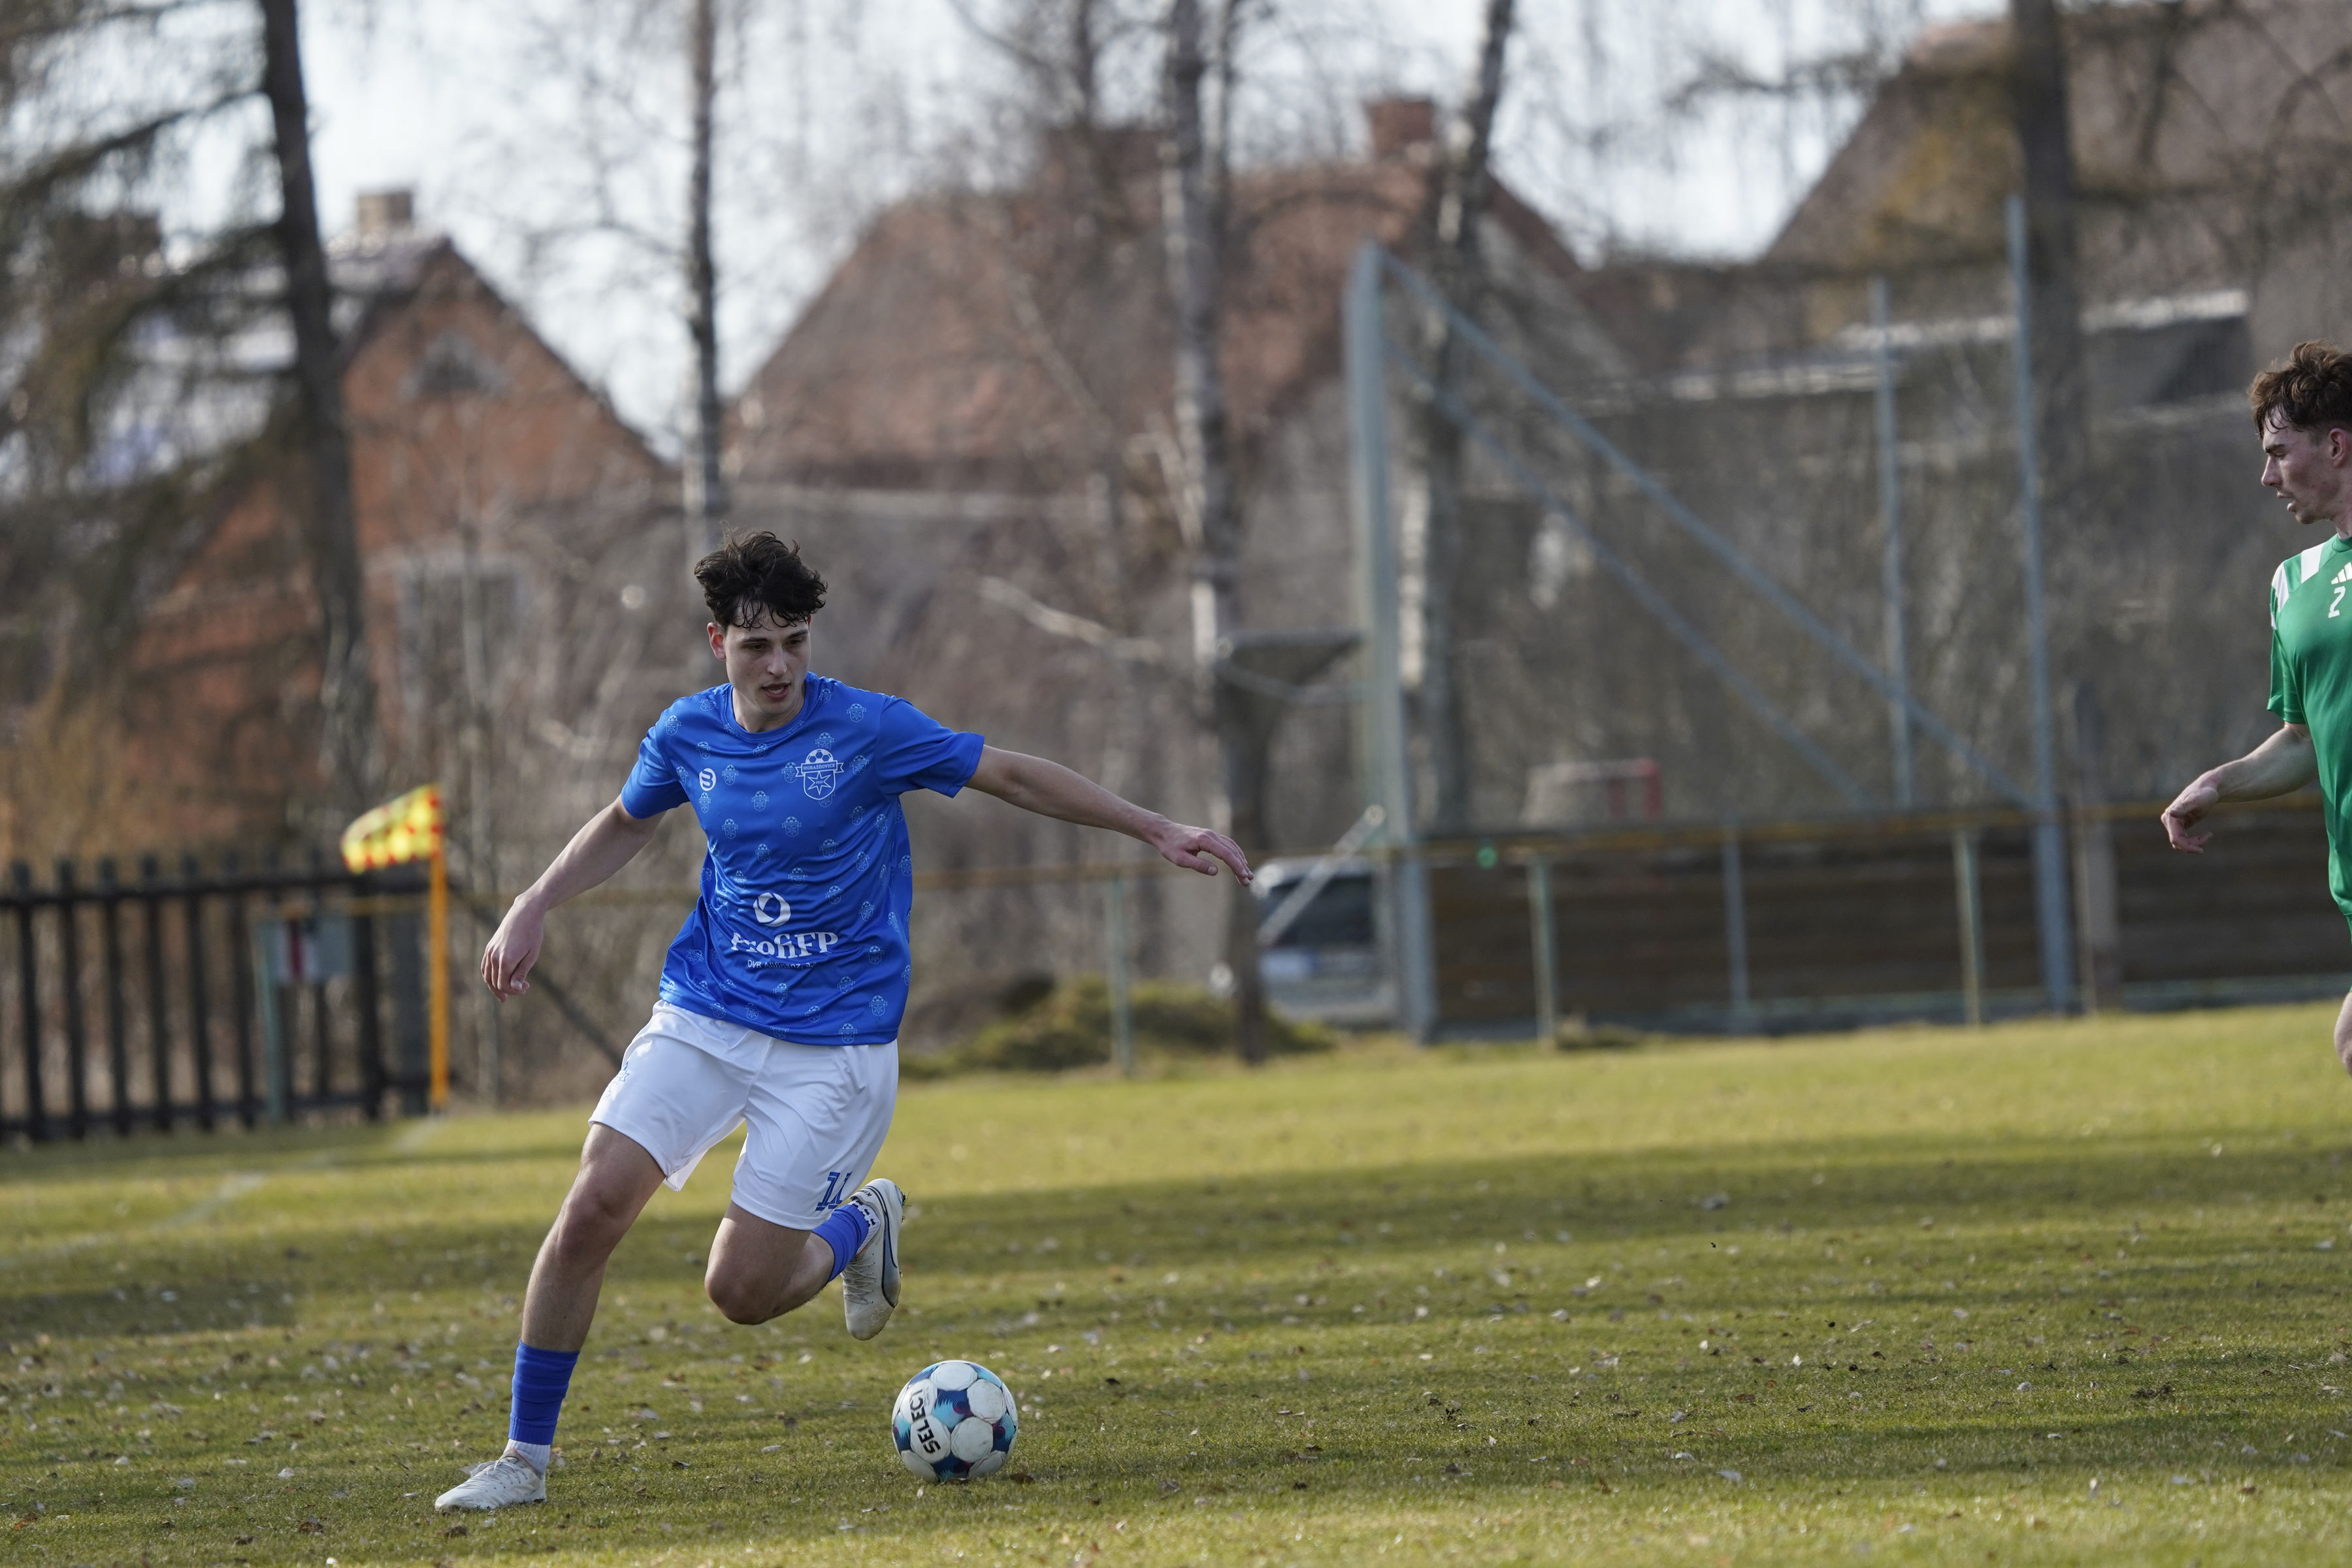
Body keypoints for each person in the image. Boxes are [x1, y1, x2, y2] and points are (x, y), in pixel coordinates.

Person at [434, 533, 1250, 1511]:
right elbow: (626, 821)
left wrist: (1156, 826)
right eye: (756, 647)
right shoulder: (688, 733)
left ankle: (862, 1223)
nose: (778, 666)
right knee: (591, 1209)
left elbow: (1013, 775)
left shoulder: (868, 728)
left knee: (740, 1295)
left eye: (794, 643)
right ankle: (522, 1461)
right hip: (707, 1010)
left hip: (836, 1047)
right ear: (718, 644)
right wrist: (533, 902)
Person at [2163, 341, 2352, 1070]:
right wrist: (2221, 782)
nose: (2266, 477)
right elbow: (2303, 740)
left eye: (2278, 453)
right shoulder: (2292, 583)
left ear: (2335, 446)